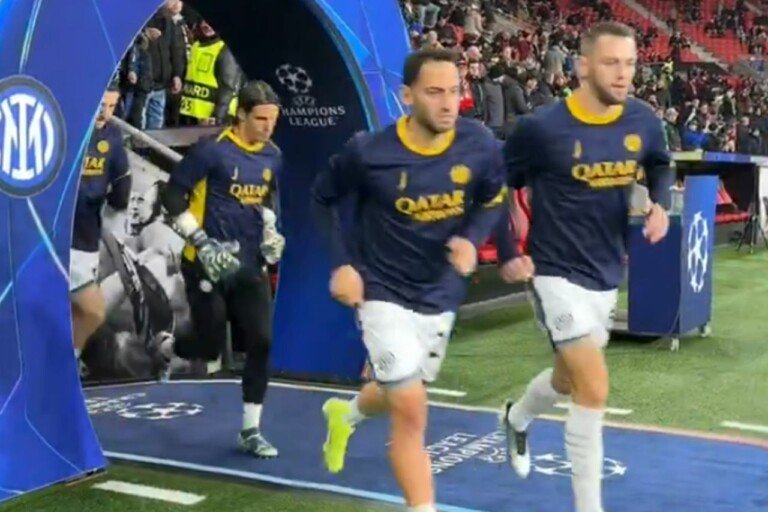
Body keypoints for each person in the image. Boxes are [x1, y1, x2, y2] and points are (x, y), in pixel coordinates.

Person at [312, 48, 507, 512]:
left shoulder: (478, 143)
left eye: (454, 91)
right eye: (434, 92)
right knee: (412, 409)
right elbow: (322, 198)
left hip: (440, 293)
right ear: (407, 96)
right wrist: (342, 264)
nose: (447, 103)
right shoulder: (369, 152)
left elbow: (493, 197)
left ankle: (346, 414)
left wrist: (471, 238)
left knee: (396, 390)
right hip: (382, 292)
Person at [495, 22, 673, 512]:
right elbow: (495, 182)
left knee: (567, 380)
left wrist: (659, 203)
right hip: (553, 271)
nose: (623, 73)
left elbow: (659, 163)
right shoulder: (542, 129)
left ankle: (516, 418)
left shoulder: (642, 120)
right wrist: (508, 244)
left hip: (606, 272)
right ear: (583, 66)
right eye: (612, 63)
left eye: (630, 63)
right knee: (593, 386)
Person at [159, 80, 286, 458]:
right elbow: (172, 195)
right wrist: (200, 240)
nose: (268, 127)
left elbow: (266, 202)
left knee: (261, 341)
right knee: (210, 345)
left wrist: (271, 231)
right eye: (261, 119)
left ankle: (251, 429)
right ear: (241, 114)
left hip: (248, 264)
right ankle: (169, 347)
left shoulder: (273, 156)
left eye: (273, 120)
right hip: (205, 264)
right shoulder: (210, 151)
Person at [71, 83, 131, 365]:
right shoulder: (65, 128)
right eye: (100, 104)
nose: (105, 112)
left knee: (86, 312)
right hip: (53, 237)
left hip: (86, 239)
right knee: (91, 310)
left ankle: (67, 361)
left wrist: (118, 198)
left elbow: (122, 186)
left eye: (111, 106)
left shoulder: (113, 137)